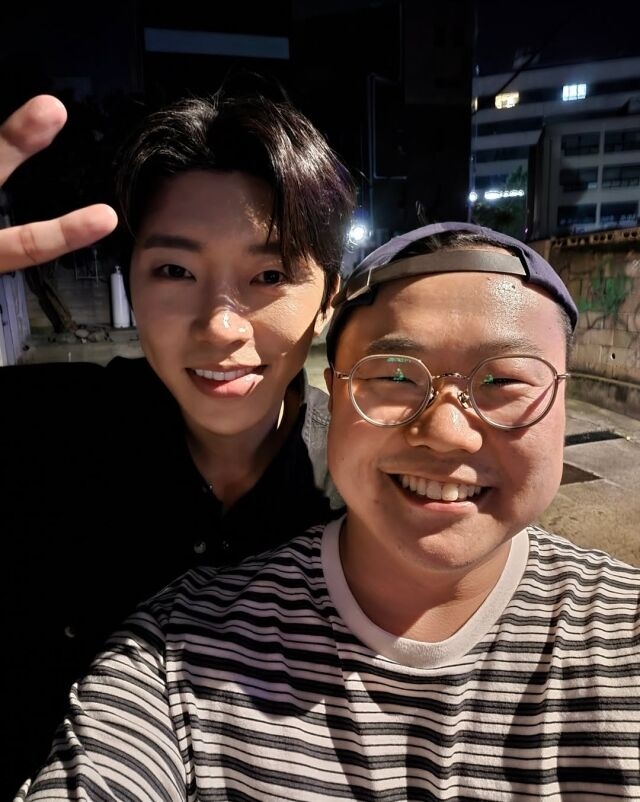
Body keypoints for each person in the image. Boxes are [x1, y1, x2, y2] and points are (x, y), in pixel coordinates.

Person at [20, 222, 639, 800]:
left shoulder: (623, 634)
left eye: (504, 381)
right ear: (332, 395)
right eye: (393, 375)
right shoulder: (179, 649)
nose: (447, 432)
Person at [0, 86, 355, 797]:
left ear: (329, 300)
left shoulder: (368, 478)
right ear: (132, 281)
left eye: (270, 275)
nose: (220, 327)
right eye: (175, 271)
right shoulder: (46, 430)